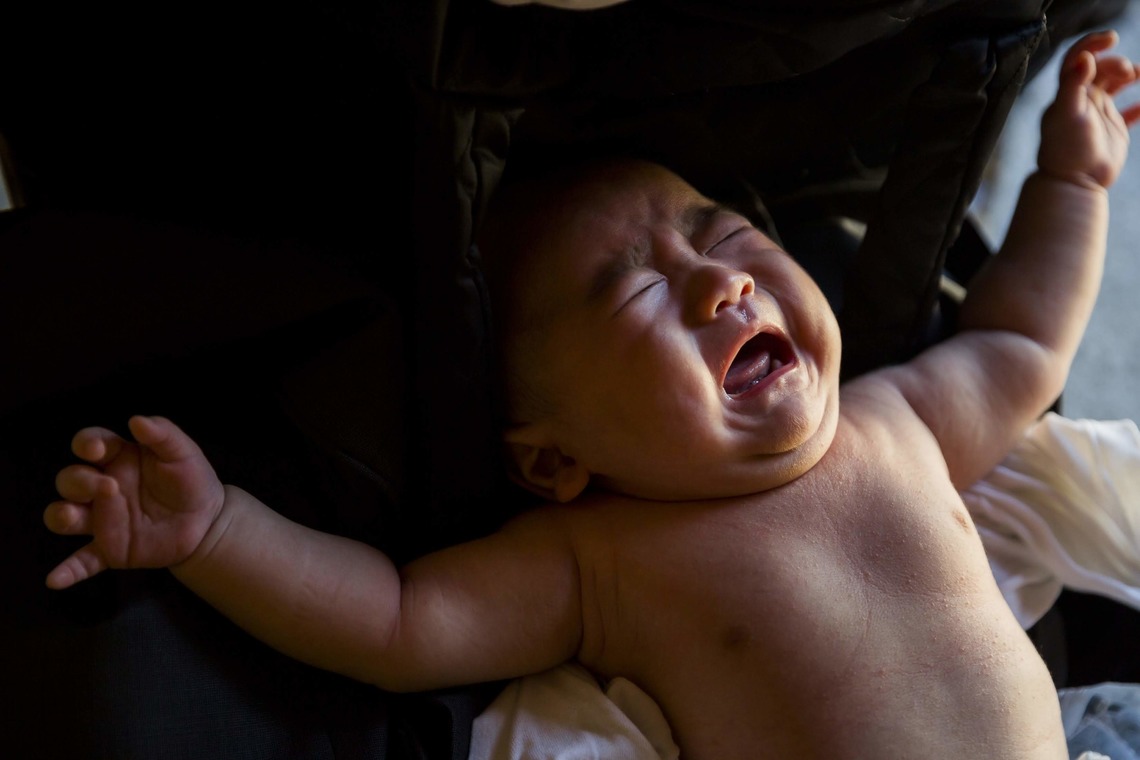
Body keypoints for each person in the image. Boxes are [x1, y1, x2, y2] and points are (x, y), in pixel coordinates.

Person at [42, 31, 1139, 758]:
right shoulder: (605, 558)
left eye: (723, 233)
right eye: (644, 292)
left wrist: (1073, 181)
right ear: (553, 457)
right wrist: (215, 530)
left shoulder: (896, 421)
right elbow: (392, 620)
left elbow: (1018, 341)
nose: (725, 279)